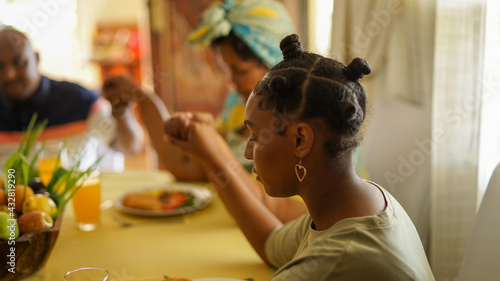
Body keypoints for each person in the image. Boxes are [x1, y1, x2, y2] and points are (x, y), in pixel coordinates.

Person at [162, 34, 435, 280]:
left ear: (301, 140)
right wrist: (212, 159)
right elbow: (272, 243)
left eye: (256, 136)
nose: (247, 152)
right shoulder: (354, 202)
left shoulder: (339, 258)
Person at [103, 0, 306, 222]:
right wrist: (144, 99)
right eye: (227, 69)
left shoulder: (299, 125)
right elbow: (187, 167)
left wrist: (215, 153)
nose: (231, 81)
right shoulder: (239, 109)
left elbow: (288, 215)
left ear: (274, 64)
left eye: (239, 70)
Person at [0, 26, 118, 168]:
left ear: (36, 59)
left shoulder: (79, 100)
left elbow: (127, 147)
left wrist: (123, 112)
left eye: (19, 62)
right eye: (0, 66)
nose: (10, 75)